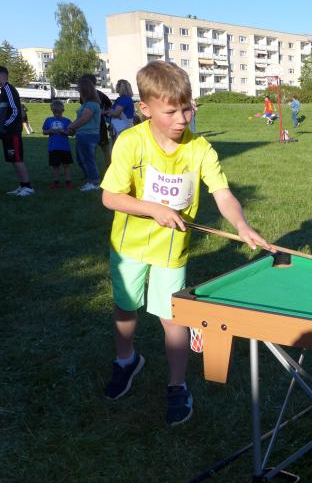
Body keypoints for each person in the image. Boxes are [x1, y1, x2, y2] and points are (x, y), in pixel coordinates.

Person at [99, 60, 272, 425]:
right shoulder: (130, 142)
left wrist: (242, 225)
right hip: (129, 247)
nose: (182, 119)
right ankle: (126, 360)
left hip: (171, 251)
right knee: (125, 308)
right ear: (145, 108)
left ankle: (177, 384)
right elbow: (110, 197)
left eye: (187, 109)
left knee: (173, 317)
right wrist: (152, 209)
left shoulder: (200, 149)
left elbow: (222, 194)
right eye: (171, 112)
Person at [0, 66, 34, 196]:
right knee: (13, 159)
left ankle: (28, 187)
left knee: (17, 159)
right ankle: (22, 185)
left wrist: (4, 125)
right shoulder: (3, 90)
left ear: (2, 76)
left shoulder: (8, 89)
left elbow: (15, 111)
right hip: (6, 132)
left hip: (12, 131)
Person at [68, 76, 103, 191]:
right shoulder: (87, 104)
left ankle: (94, 182)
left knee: (87, 159)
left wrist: (70, 127)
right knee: (81, 159)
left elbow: (84, 119)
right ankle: (90, 180)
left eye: (78, 87)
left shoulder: (91, 104)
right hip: (83, 135)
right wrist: (73, 129)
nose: (77, 89)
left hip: (88, 135)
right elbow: (81, 119)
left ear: (84, 89)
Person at [41, 100, 74, 188]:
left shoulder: (67, 121)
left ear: (63, 110)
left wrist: (64, 132)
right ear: (52, 111)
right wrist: (50, 131)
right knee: (55, 166)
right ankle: (56, 182)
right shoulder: (48, 120)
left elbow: (72, 133)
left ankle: (68, 181)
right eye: (55, 112)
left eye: (59, 112)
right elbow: (44, 131)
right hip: (53, 147)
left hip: (65, 147)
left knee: (66, 165)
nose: (57, 114)